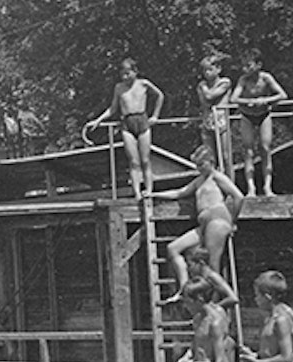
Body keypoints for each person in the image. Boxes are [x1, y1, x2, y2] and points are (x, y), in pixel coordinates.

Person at [144, 145, 245, 289]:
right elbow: (180, 192)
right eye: (197, 165)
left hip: (217, 222)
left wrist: (233, 221)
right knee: (173, 248)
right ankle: (185, 289)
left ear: (211, 162)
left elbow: (238, 197)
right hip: (203, 225)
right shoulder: (199, 181)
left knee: (212, 265)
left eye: (202, 164)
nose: (199, 168)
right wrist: (154, 194)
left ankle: (218, 297)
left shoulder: (217, 177)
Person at [85, 57, 165, 199]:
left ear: (135, 71)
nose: (125, 77)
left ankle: (149, 191)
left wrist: (155, 116)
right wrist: (98, 120)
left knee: (145, 160)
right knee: (134, 161)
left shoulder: (143, 84)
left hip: (142, 121)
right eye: (122, 74)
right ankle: (137, 193)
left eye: (128, 74)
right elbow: (113, 108)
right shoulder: (119, 88)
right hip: (127, 123)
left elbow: (160, 95)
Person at [230, 48, 287, 197]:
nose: (245, 69)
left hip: (264, 115)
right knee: (248, 150)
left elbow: (282, 95)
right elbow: (233, 98)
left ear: (258, 65)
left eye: (248, 65)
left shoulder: (266, 78)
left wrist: (265, 100)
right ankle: (251, 188)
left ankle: (268, 187)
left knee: (265, 148)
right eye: (244, 66)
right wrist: (249, 101)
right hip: (247, 116)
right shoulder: (243, 80)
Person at [197, 53, 232, 162]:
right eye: (204, 70)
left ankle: (228, 173)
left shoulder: (225, 82)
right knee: (209, 156)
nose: (207, 73)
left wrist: (205, 88)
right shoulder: (201, 85)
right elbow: (205, 103)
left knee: (225, 156)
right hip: (207, 120)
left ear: (218, 69)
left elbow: (209, 96)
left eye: (210, 69)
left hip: (222, 121)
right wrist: (205, 91)